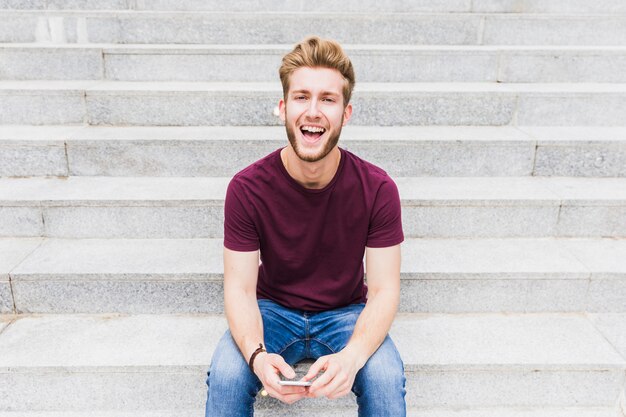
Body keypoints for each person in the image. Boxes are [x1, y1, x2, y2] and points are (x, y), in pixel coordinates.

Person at [205, 36, 406, 417]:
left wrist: (353, 357)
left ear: (345, 114)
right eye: (301, 97)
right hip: (272, 309)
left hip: (345, 312)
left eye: (328, 99)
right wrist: (257, 357)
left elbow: (383, 290)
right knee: (229, 375)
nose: (313, 110)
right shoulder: (247, 188)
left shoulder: (378, 188)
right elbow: (240, 288)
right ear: (283, 108)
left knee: (384, 376)